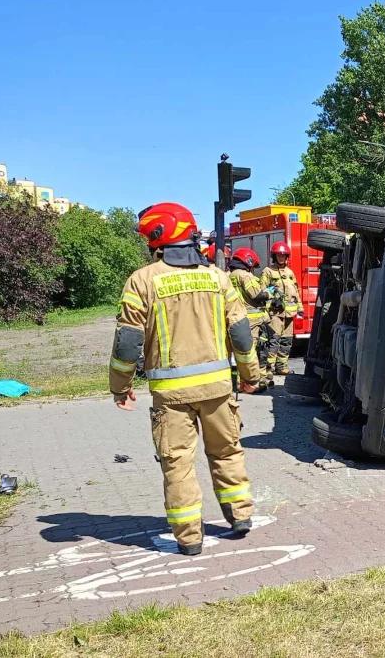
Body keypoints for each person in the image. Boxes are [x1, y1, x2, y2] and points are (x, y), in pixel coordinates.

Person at [110, 202, 262, 556]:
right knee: (227, 452)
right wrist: (250, 376)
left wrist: (120, 386)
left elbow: (127, 342)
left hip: (171, 397)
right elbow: (240, 333)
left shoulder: (142, 281)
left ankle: (190, 539)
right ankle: (240, 516)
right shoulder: (218, 278)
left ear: (158, 237)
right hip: (218, 390)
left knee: (177, 465)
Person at [227, 247, 273, 391]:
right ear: (248, 261)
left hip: (236, 317)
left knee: (240, 351)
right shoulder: (245, 275)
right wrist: (269, 293)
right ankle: (247, 384)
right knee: (249, 352)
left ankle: (244, 382)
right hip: (251, 320)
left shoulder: (228, 275)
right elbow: (256, 295)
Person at [261, 242, 301, 377]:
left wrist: (300, 308)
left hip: (290, 314)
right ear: (274, 256)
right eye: (279, 255)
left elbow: (296, 291)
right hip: (275, 314)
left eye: (283, 255)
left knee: (286, 341)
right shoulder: (268, 271)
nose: (281, 258)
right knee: (274, 341)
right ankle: (268, 368)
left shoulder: (290, 273)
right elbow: (263, 292)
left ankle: (281, 366)